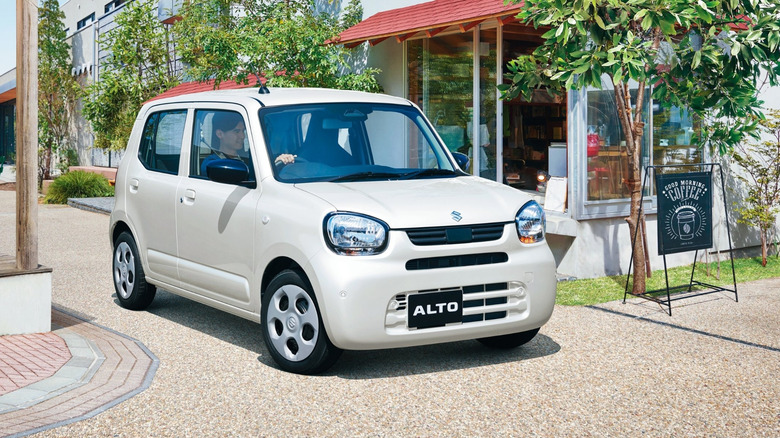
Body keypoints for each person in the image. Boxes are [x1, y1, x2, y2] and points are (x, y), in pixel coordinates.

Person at [201, 112, 256, 180]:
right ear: (220, 134)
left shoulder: (250, 158)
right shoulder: (211, 163)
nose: (243, 136)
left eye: (243, 131)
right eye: (237, 131)